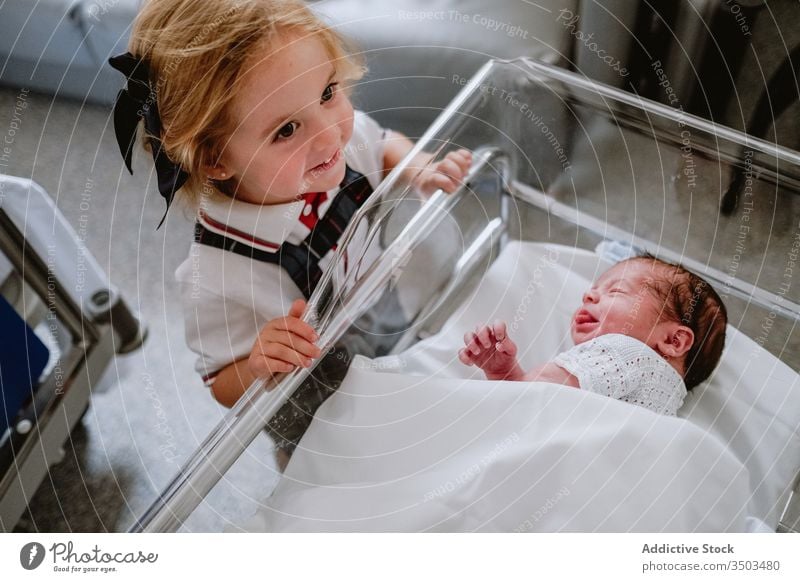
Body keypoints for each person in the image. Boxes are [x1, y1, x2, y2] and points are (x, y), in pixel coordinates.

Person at [109, 0, 472, 465]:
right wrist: (258, 363)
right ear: (216, 160)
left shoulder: (343, 139)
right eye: (286, 130)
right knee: (330, 467)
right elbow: (220, 380)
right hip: (309, 398)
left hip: (381, 313)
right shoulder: (216, 275)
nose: (329, 136)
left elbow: (379, 144)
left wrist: (418, 168)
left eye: (327, 93)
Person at [459, 255, 727, 416]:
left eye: (616, 291)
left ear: (673, 341)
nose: (588, 295)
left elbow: (527, 400)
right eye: (593, 290)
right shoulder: (668, 407)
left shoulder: (626, 351)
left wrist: (507, 376)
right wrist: (505, 373)